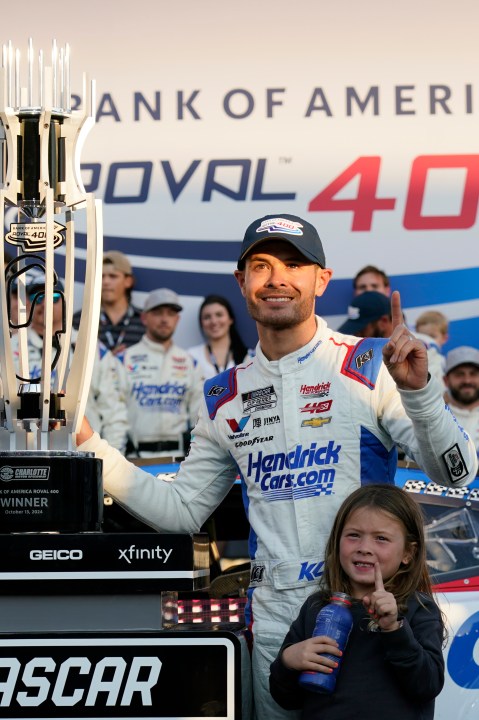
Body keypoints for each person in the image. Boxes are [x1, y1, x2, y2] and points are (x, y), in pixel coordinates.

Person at [76, 213, 477, 720]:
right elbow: (181, 511)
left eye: (294, 263)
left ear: (321, 279)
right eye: (261, 266)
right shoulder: (224, 394)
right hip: (276, 620)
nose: (277, 278)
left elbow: (457, 473)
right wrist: (92, 445)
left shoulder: (371, 364)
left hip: (370, 609)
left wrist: (418, 394)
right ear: (241, 282)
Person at [269, 484, 445, 720]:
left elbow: (427, 685)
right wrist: (288, 662)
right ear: (337, 540)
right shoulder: (316, 607)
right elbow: (287, 699)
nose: (364, 548)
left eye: (381, 538)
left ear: (408, 553)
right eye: (353, 535)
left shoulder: (418, 608)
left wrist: (394, 629)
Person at [9, 273, 129, 453]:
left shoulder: (90, 347)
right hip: (25, 458)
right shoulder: (10, 349)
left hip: (82, 458)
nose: (44, 303)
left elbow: (114, 411)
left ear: (65, 302)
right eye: (37, 297)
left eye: (53, 297)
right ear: (27, 304)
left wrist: (108, 461)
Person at [119, 288, 203, 458]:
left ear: (177, 319)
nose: (165, 319)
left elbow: (199, 417)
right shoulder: (125, 359)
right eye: (157, 313)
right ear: (144, 318)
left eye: (171, 314)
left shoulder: (190, 362)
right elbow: (114, 415)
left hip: (179, 459)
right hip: (134, 459)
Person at [74, 250, 144, 356]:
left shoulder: (145, 320)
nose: (106, 282)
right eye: (101, 276)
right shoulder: (80, 320)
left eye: (113, 276)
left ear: (128, 281)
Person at [188, 294, 252, 380]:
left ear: (230, 319)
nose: (213, 321)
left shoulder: (249, 357)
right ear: (201, 323)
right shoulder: (191, 356)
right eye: (207, 317)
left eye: (219, 315)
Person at [443, 346, 479, 453]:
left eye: (473, 374)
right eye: (459, 374)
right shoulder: (433, 419)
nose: (467, 380)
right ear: (446, 381)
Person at [415, 310, 449, 388]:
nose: (427, 340)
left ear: (444, 338)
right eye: (422, 336)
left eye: (432, 337)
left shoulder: (443, 363)